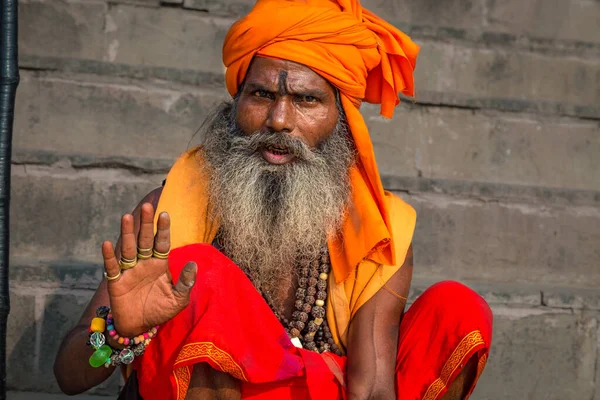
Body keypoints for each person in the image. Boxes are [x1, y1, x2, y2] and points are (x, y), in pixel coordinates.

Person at [54, 0, 493, 399]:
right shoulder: (168, 210)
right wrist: (116, 336)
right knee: (203, 273)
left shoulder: (381, 232)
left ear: (342, 122)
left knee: (456, 310)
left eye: (306, 100)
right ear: (236, 103)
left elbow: (372, 389)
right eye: (262, 95)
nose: (279, 120)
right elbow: (69, 376)